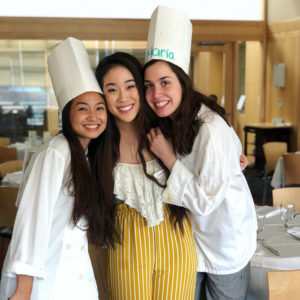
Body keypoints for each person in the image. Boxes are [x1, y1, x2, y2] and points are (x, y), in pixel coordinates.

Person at [141, 6, 257, 300]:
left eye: (165, 82)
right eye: (148, 86)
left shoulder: (209, 127)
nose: (156, 95)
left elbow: (205, 201)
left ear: (182, 80)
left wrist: (167, 157)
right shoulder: (166, 121)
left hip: (224, 242)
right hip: (189, 241)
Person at [0, 37, 117, 300]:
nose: (93, 116)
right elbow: (32, 220)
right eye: (82, 108)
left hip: (73, 276)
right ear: (67, 113)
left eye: (99, 108)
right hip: (46, 281)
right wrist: (23, 289)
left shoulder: (85, 154)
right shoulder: (55, 152)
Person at [95, 52, 198, 300]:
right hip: (126, 247)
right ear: (102, 96)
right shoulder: (98, 147)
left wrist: (234, 157)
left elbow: (207, 163)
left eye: (130, 86)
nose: (123, 97)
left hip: (177, 240)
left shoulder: (169, 129)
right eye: (112, 89)